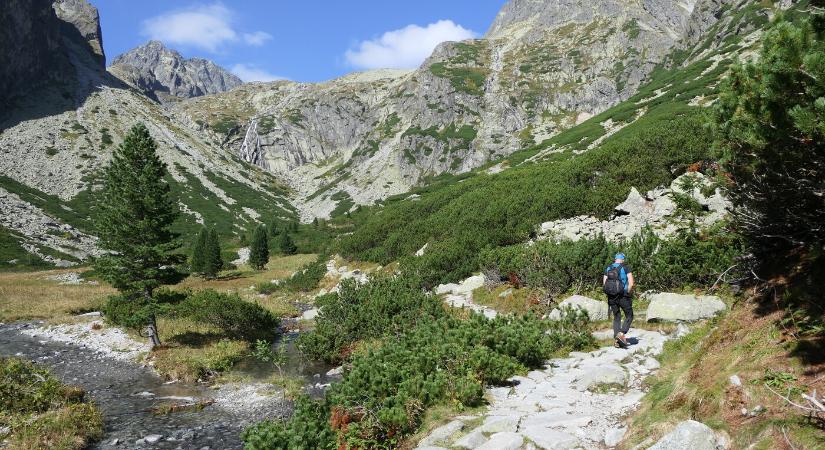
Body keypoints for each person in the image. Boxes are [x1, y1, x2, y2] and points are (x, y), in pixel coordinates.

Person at [603, 252, 635, 348]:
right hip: (623, 296)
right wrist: (628, 292)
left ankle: (617, 340)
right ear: (623, 259)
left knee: (617, 317)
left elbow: (604, 284)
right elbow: (631, 283)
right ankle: (621, 333)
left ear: (615, 259)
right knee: (629, 315)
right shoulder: (626, 267)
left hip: (611, 297)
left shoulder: (608, 268)